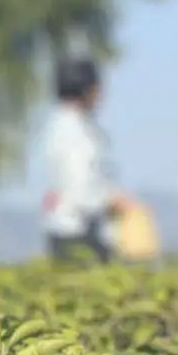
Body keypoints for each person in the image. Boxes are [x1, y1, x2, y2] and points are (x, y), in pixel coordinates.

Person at [41, 55, 135, 263]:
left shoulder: (67, 125)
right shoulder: (75, 132)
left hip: (70, 229)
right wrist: (112, 200)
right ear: (86, 89)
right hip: (76, 232)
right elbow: (80, 188)